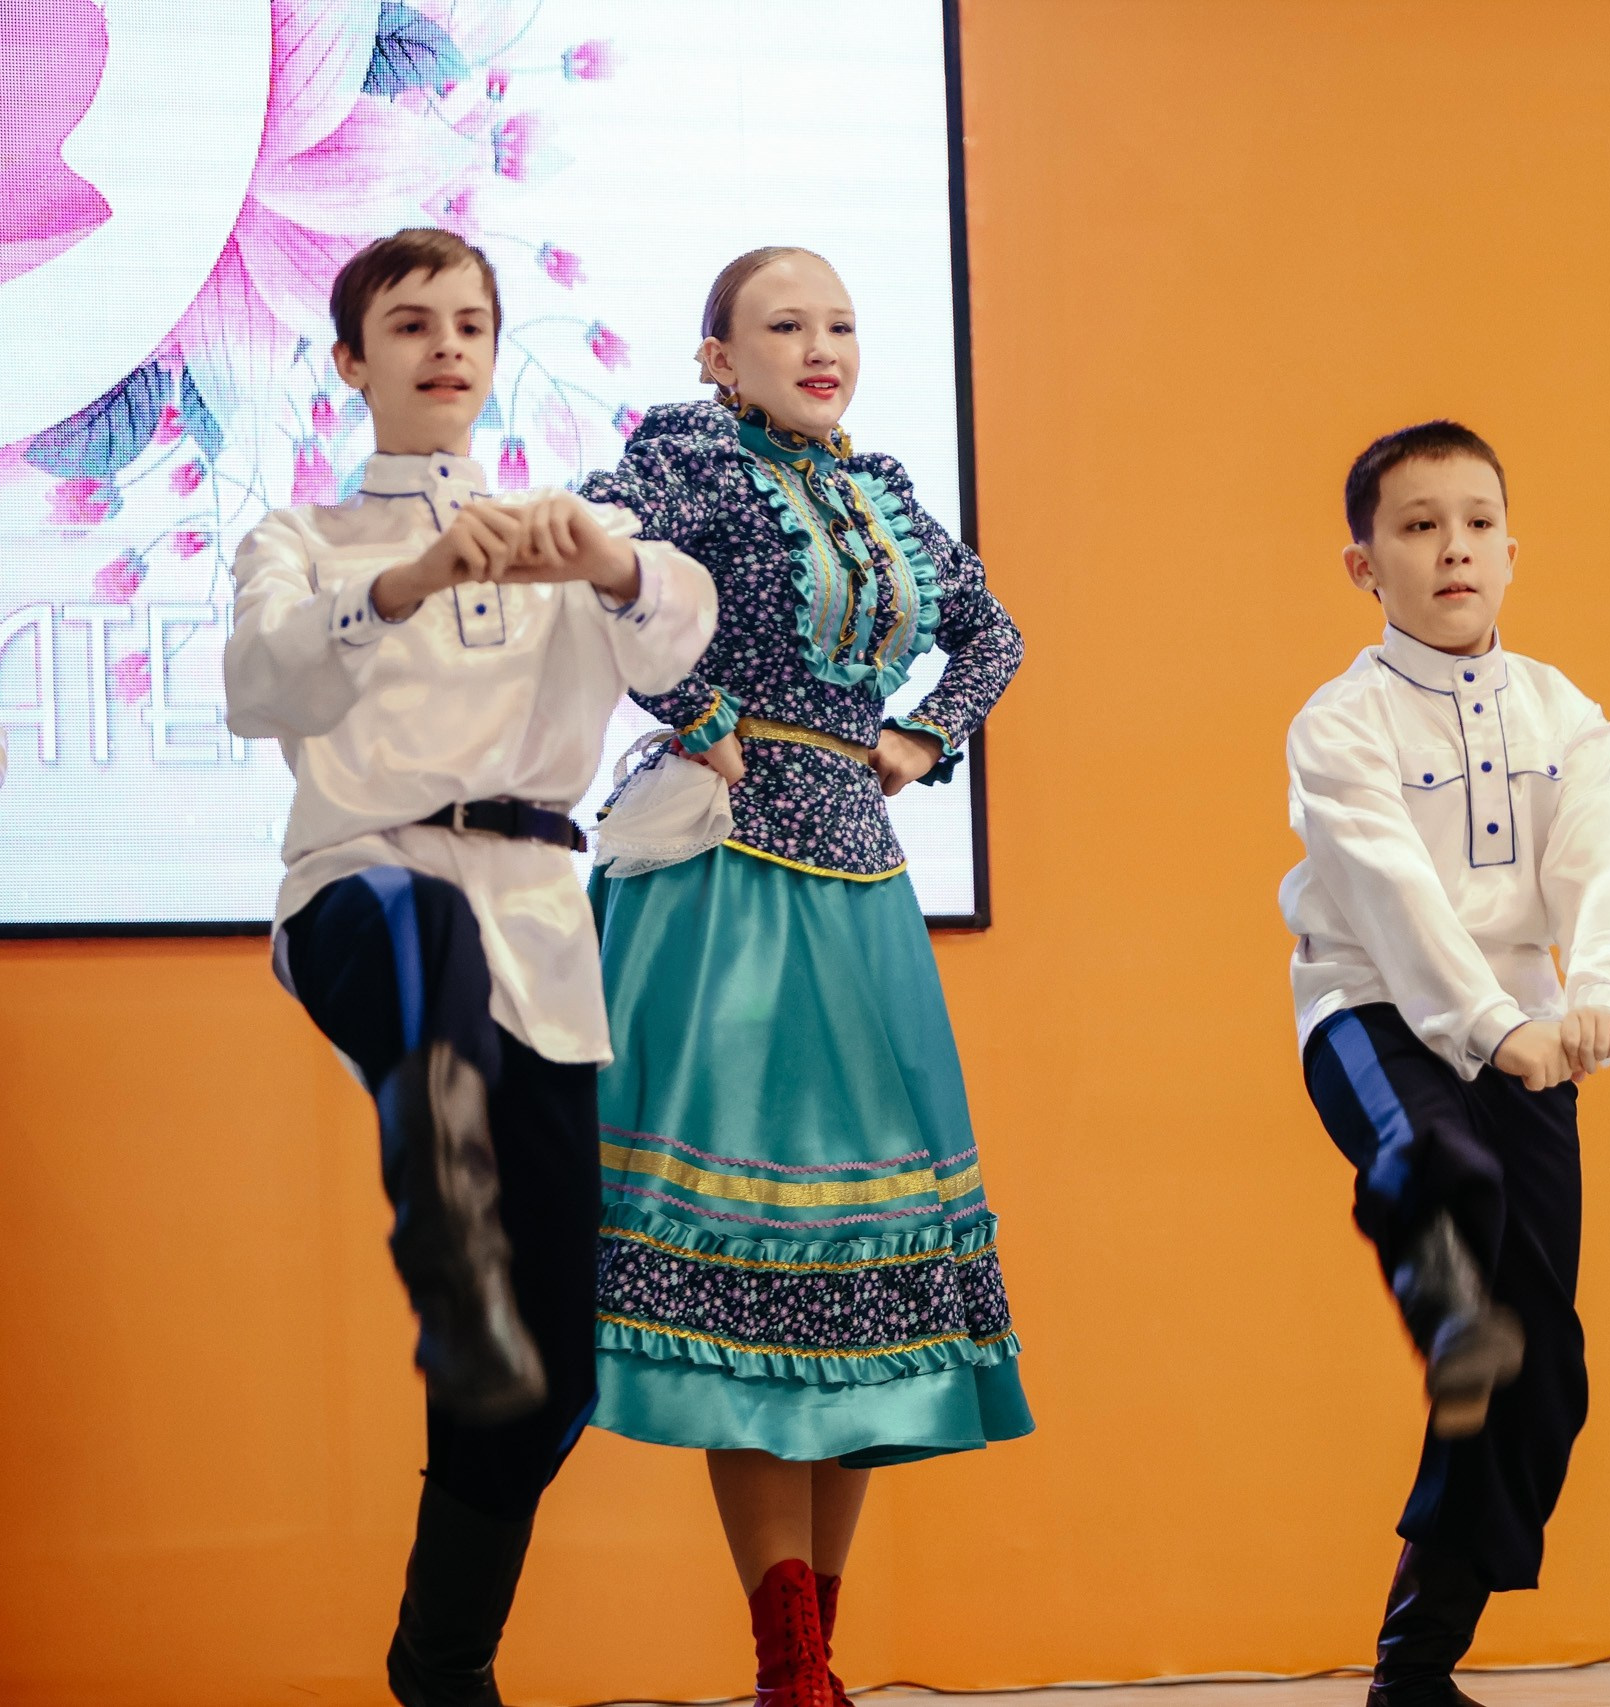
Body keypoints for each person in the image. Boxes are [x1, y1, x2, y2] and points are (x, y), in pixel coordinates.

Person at [223, 227, 717, 1707]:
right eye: (411, 321)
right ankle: (443, 1226)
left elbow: (677, 639)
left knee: (548, 1369)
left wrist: (614, 558)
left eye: (470, 324)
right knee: (418, 928)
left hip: (540, 936)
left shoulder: (564, 535)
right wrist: (407, 579)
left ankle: (442, 1663)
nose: (445, 345)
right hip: (361, 891)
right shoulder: (302, 539)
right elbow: (261, 683)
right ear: (350, 359)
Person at [578, 246, 1030, 1705]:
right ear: (718, 353)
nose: (820, 345)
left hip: (863, 898)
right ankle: (790, 1659)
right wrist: (701, 710)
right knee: (752, 1275)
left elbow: (992, 633)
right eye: (783, 324)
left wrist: (923, 737)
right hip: (724, 890)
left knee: (863, 1278)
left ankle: (809, 1661)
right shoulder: (685, 455)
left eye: (841, 320)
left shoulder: (884, 488)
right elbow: (604, 587)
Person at [1281, 421, 1610, 1707]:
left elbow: (1595, 875)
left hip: (1535, 1029)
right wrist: (1501, 1032)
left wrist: (1598, 998)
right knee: (1435, 1159)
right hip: (1373, 1009)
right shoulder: (1338, 725)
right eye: (1418, 525)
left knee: (1541, 1370)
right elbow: (1397, 911)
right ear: (1362, 563)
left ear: (1509, 546)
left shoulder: (1565, 711)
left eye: (1477, 522)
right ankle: (1447, 1307)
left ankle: (1414, 1670)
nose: (1453, 548)